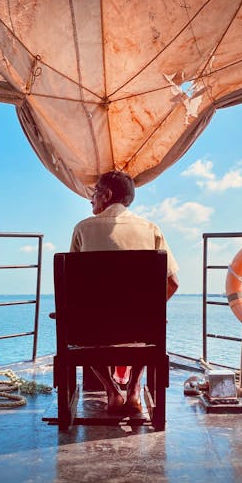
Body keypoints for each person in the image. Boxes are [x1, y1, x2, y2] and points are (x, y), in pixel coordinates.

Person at [70, 170, 179, 414]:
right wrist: (148, 312)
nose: (91, 199)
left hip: (93, 331)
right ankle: (133, 391)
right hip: (141, 328)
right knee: (146, 328)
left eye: (95, 192)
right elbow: (173, 283)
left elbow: (72, 287)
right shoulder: (151, 229)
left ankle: (111, 391)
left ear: (107, 195)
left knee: (86, 328)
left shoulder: (82, 229)